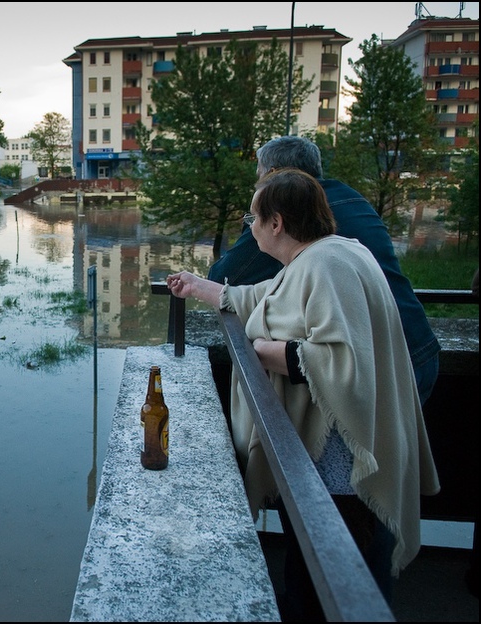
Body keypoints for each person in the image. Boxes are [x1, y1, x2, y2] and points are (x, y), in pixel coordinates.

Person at [167, 168, 440, 620]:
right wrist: (198, 287)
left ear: (277, 222)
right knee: (322, 567)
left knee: (338, 580)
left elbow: (341, 360)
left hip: (345, 471)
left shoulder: (326, 265)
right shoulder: (327, 255)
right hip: (337, 463)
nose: (249, 227)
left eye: (253, 218)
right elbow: (261, 299)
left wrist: (262, 350)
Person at [207, 135, 441, 407]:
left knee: (370, 445)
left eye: (259, 174)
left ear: (273, 175)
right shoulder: (352, 197)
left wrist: (258, 216)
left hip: (374, 364)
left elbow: (226, 276)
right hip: (414, 344)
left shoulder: (287, 214)